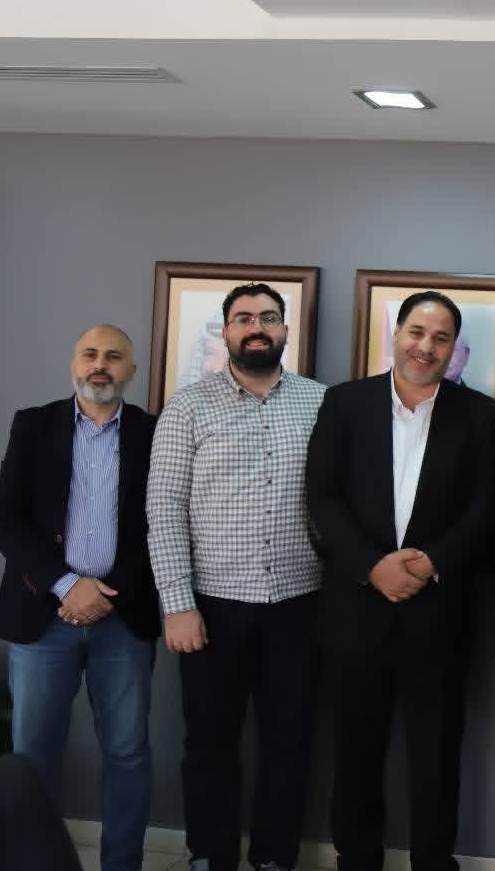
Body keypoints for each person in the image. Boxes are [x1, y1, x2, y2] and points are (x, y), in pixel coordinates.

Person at [306, 291, 495, 871]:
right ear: (396, 334)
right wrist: (373, 566)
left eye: (441, 338)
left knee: (436, 756)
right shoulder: (345, 403)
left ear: (454, 348)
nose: (426, 347)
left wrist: (431, 562)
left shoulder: (477, 414)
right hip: (356, 611)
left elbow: (485, 507)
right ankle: (357, 860)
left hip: (438, 613)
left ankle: (434, 862)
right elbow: (323, 496)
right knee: (356, 753)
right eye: (417, 332)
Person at [147, 283, 326, 871]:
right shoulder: (187, 407)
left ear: (285, 331)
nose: (257, 327)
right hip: (211, 608)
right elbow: (164, 508)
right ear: (225, 332)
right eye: (244, 318)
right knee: (208, 742)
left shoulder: (321, 403)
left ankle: (274, 859)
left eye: (269, 318)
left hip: (300, 605)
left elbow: (341, 500)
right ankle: (211, 856)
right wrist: (177, 603)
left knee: (291, 741)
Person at [0, 324, 158, 871]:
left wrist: (105, 594)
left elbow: (165, 525)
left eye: (114, 356)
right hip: (43, 616)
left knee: (128, 753)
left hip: (122, 618)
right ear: (74, 364)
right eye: (90, 354)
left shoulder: (155, 433)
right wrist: (68, 585)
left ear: (131, 370)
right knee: (31, 758)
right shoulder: (33, 426)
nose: (100, 364)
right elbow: (6, 521)